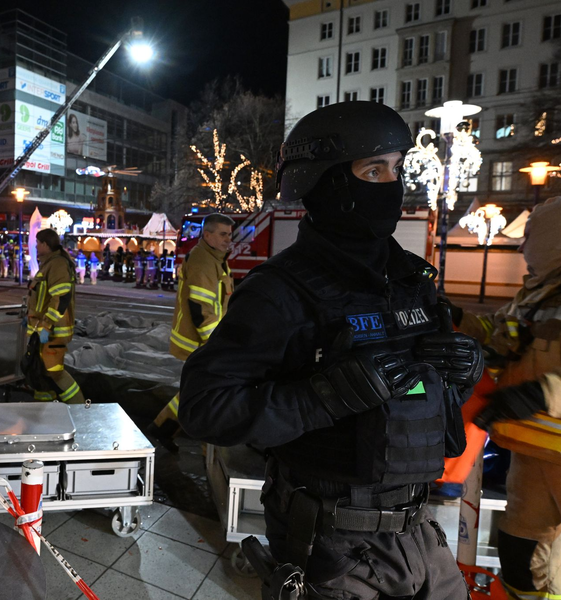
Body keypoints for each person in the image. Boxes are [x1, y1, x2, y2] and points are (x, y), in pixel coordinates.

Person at [178, 102, 482, 599]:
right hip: (332, 546)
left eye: (397, 168)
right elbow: (203, 408)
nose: (393, 184)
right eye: (374, 170)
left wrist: (459, 375)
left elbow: (417, 401)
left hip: (419, 532)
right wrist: (321, 398)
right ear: (328, 182)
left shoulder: (412, 281)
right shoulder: (280, 291)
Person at [451, 198, 561, 600]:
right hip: (533, 448)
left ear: (556, 236)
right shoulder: (545, 288)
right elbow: (501, 331)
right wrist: (454, 318)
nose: (523, 246)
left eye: (530, 236)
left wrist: (542, 393)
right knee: (524, 558)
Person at [148, 213, 235, 450]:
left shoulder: (214, 259)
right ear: (207, 235)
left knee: (197, 390)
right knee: (209, 392)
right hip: (201, 341)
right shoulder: (204, 261)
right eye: (223, 234)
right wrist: (214, 343)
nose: (228, 239)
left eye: (229, 234)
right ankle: (208, 451)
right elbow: (200, 308)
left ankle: (162, 429)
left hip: (205, 340)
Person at [26, 228, 85, 404]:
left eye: (38, 243)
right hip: (44, 330)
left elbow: (61, 298)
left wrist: (46, 325)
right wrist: (30, 317)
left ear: (45, 244)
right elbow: (43, 299)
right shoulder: (50, 263)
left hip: (53, 332)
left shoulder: (57, 264)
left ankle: (80, 408)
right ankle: (43, 411)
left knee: (55, 373)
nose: (36, 246)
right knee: (41, 372)